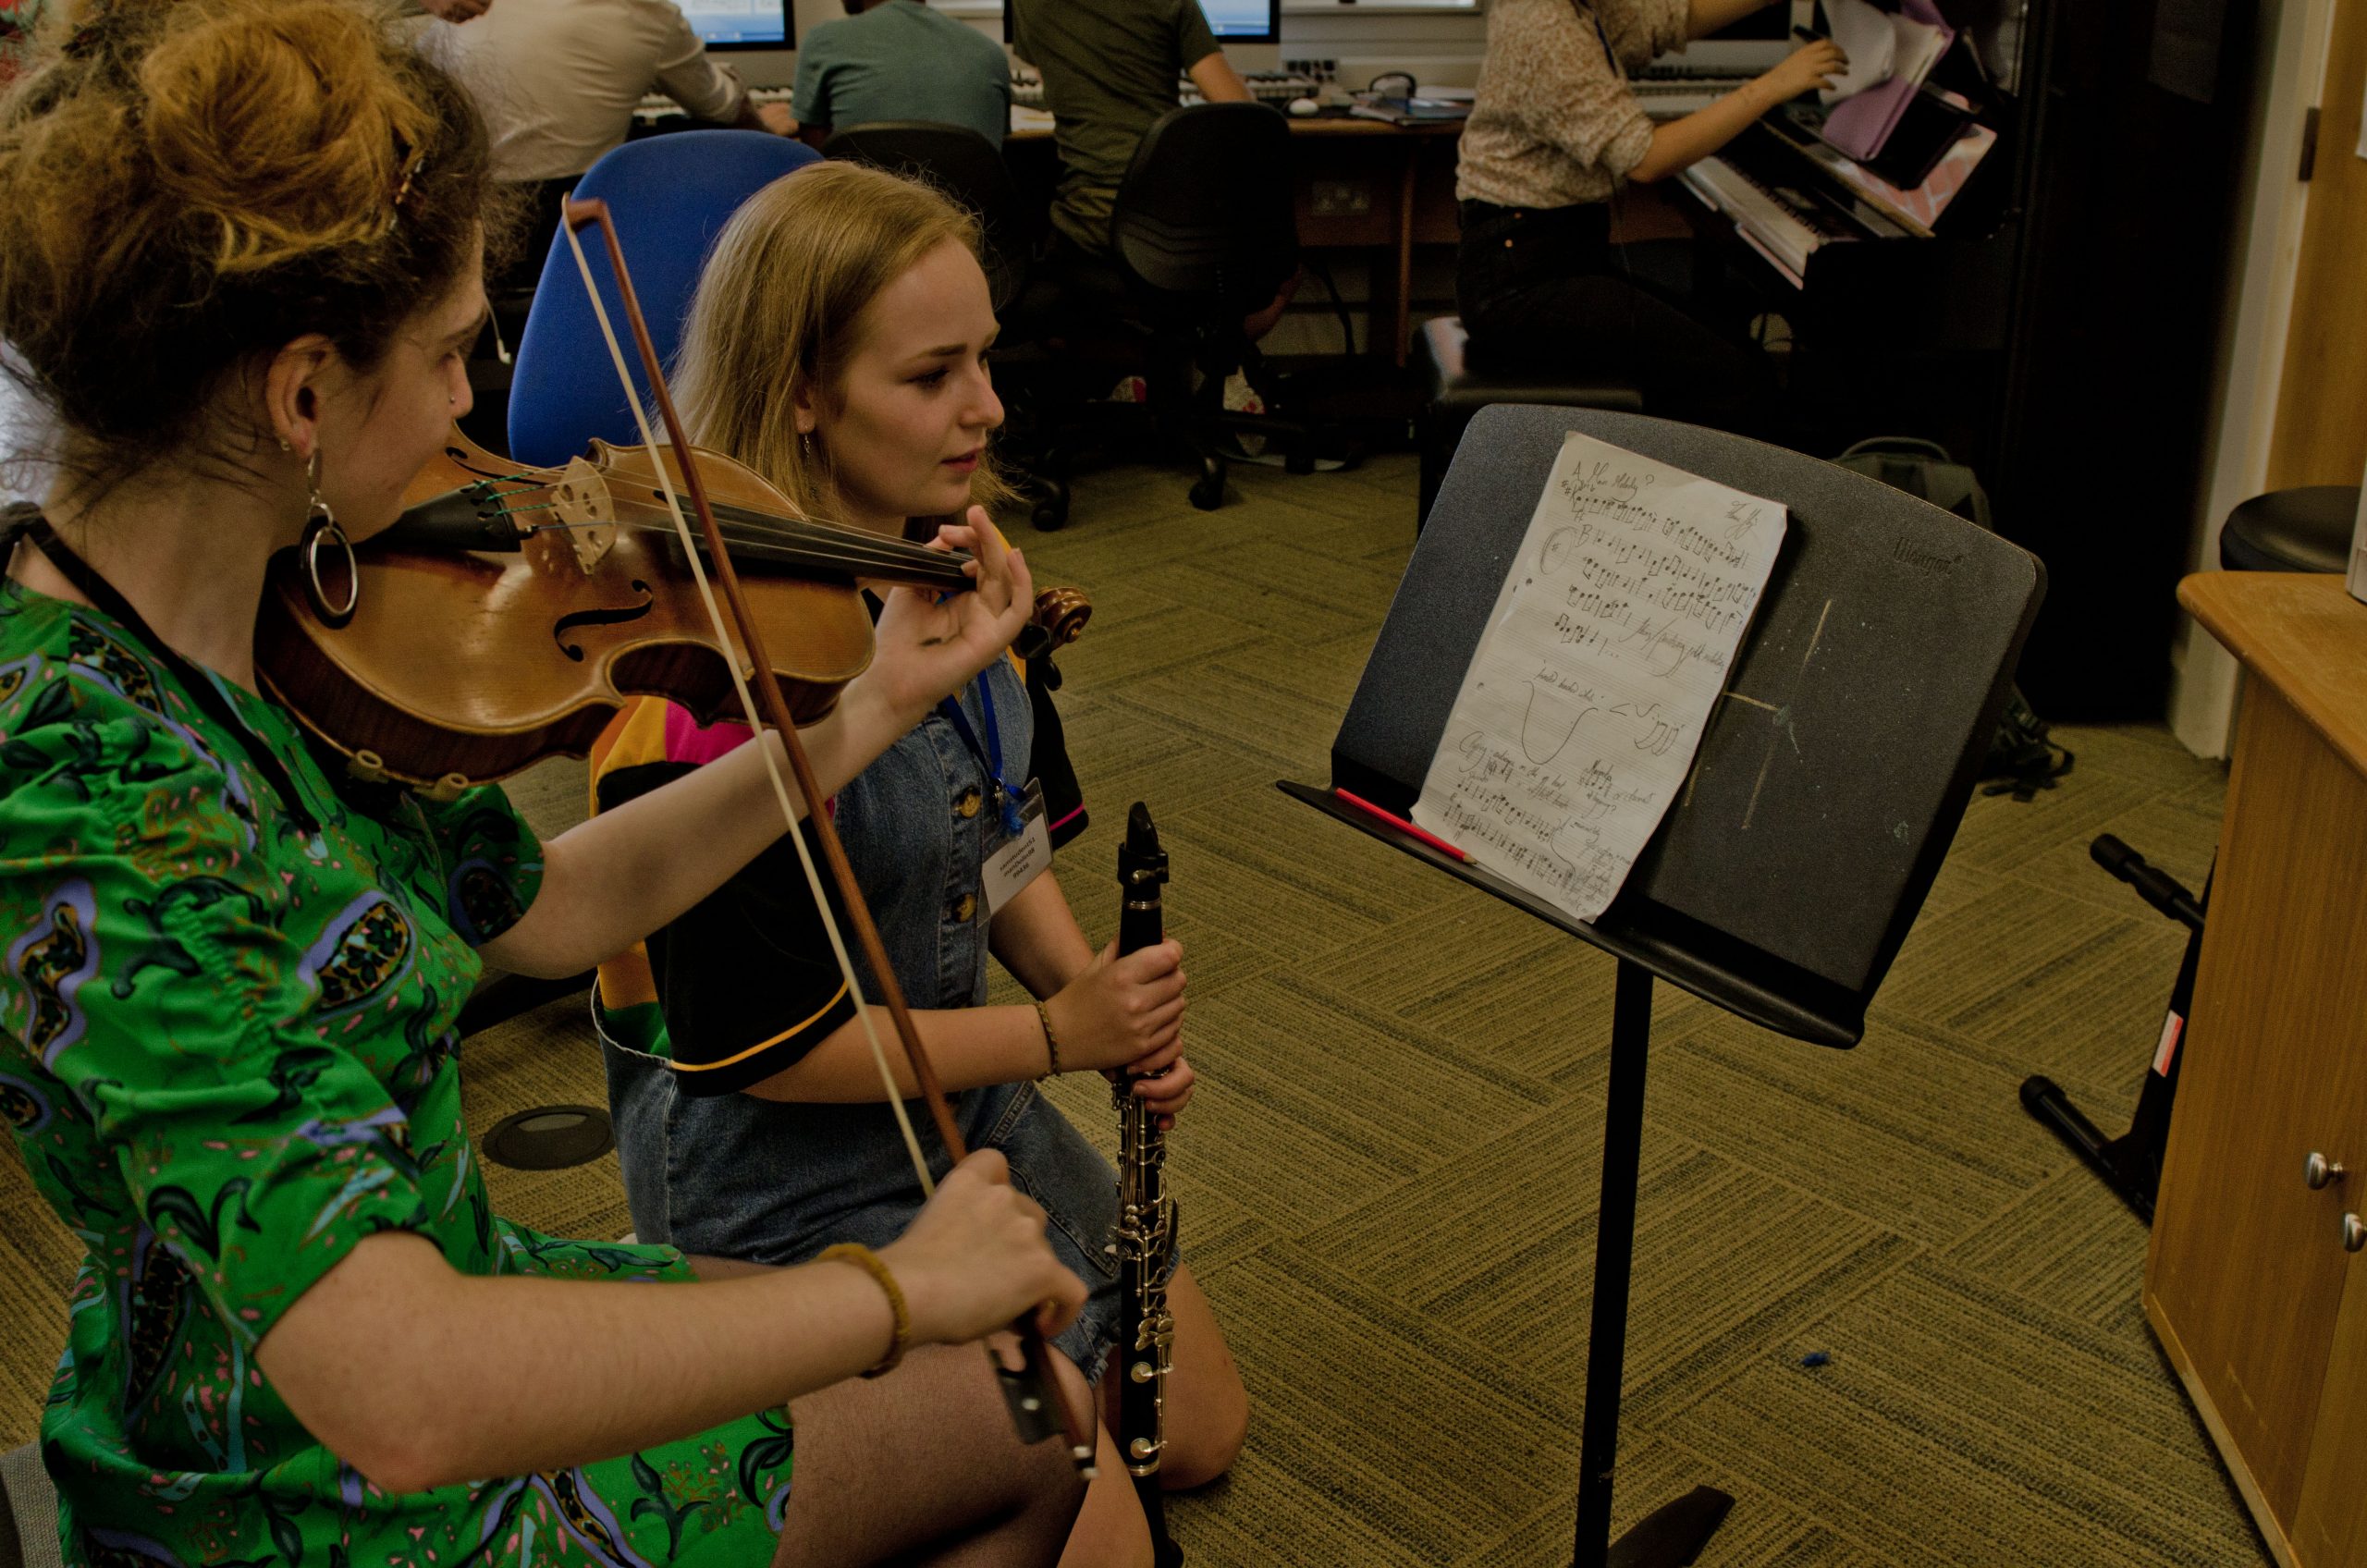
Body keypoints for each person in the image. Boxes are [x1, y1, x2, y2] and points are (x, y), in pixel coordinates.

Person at [0, 1, 1151, 1561]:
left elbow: (544, 910)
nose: (481, 409)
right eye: (457, 351)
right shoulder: (88, 786)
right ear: (301, 397)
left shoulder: (239, 644)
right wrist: (890, 1288)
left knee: (1002, 1380)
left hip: (412, 1305)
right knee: (1023, 1422)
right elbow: (398, 1385)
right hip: (314, 1494)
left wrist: (871, 708)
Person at [586, 161, 1249, 1548]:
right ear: (804, 395)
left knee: (1196, 1430)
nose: (990, 409)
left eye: (986, 361)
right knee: (1086, 1491)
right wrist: (1059, 1037)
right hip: (778, 1164)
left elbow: (1005, 838)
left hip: (955, 1102)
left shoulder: (953, 577)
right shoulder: (708, 693)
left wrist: (1109, 1013)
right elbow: (771, 1053)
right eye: (932, 375)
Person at [1453, 0, 1846, 428]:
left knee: (1736, 348)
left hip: (1546, 255)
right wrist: (1770, 87)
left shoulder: (1579, 7)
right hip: (1519, 282)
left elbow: (1670, 20)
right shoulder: (1543, 23)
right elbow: (1648, 160)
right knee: (1731, 378)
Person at [419, 0, 796, 287]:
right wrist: (766, 130)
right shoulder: (645, 14)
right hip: (586, 246)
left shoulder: (454, 16)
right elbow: (722, 106)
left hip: (476, 244)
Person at [1007, 0, 1250, 262]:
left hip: (1086, 225)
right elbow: (1243, 114)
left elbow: (1055, 82)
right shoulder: (1173, 5)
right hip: (1171, 225)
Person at [790, 0, 1011, 150]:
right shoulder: (990, 51)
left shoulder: (823, 41)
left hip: (864, 214)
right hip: (964, 216)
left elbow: (815, 160)